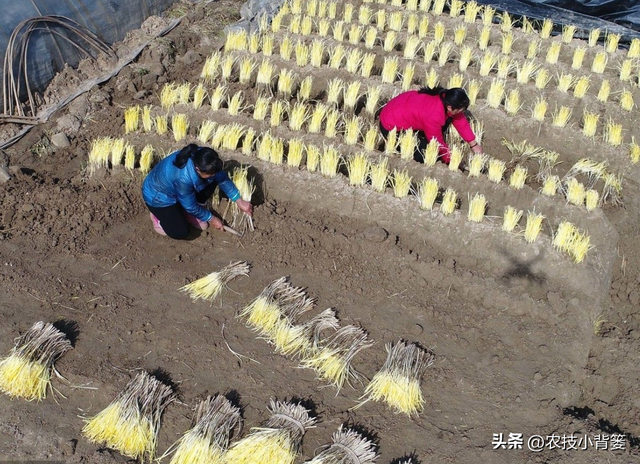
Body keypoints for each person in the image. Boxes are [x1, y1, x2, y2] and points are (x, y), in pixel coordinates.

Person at [141, 144, 253, 240]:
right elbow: (190, 206)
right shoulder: (183, 178)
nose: (214, 175)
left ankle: (189, 213)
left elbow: (221, 178)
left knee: (213, 180)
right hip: (158, 197)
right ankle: (158, 216)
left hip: (180, 192)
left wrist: (238, 200)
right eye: (210, 174)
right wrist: (212, 218)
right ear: (198, 170)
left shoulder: (204, 159)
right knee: (180, 232)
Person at [379, 86, 483, 164]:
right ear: (450, 107)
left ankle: (421, 135)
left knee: (447, 120)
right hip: (390, 127)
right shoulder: (433, 115)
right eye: (461, 110)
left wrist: (473, 144)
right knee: (427, 154)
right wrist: (451, 159)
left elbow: (459, 120)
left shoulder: (444, 97)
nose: (462, 112)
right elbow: (437, 142)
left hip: (400, 111)